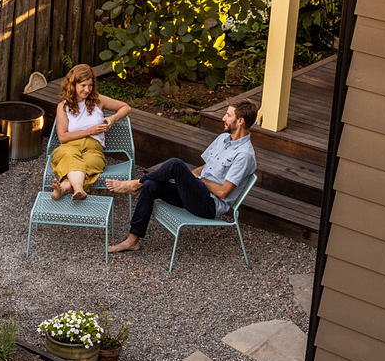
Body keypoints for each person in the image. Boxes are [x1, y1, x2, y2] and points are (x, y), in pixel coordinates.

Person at [105, 99, 258, 254]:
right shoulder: (223, 138)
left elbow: (223, 192)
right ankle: (132, 240)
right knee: (150, 186)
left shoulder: (244, 155)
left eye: (228, 115)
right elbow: (206, 166)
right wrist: (189, 177)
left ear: (240, 121)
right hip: (195, 193)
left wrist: (198, 179)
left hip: (208, 204)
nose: (223, 118)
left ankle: (136, 183)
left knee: (176, 164)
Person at [50, 64, 131, 200]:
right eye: (83, 85)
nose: (87, 90)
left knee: (91, 162)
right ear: (73, 84)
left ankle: (65, 187)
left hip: (94, 149)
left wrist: (112, 118)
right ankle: (78, 189)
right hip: (70, 146)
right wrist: (89, 131)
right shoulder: (63, 107)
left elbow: (126, 107)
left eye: (90, 85)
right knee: (69, 155)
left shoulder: (98, 101)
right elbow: (62, 137)